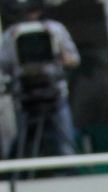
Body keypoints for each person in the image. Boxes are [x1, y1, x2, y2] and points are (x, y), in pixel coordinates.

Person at [0, 0, 80, 159]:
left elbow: (74, 59)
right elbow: (4, 65)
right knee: (23, 139)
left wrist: (63, 58)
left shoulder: (56, 30)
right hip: (25, 95)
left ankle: (69, 168)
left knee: (65, 140)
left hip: (55, 92)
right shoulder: (11, 34)